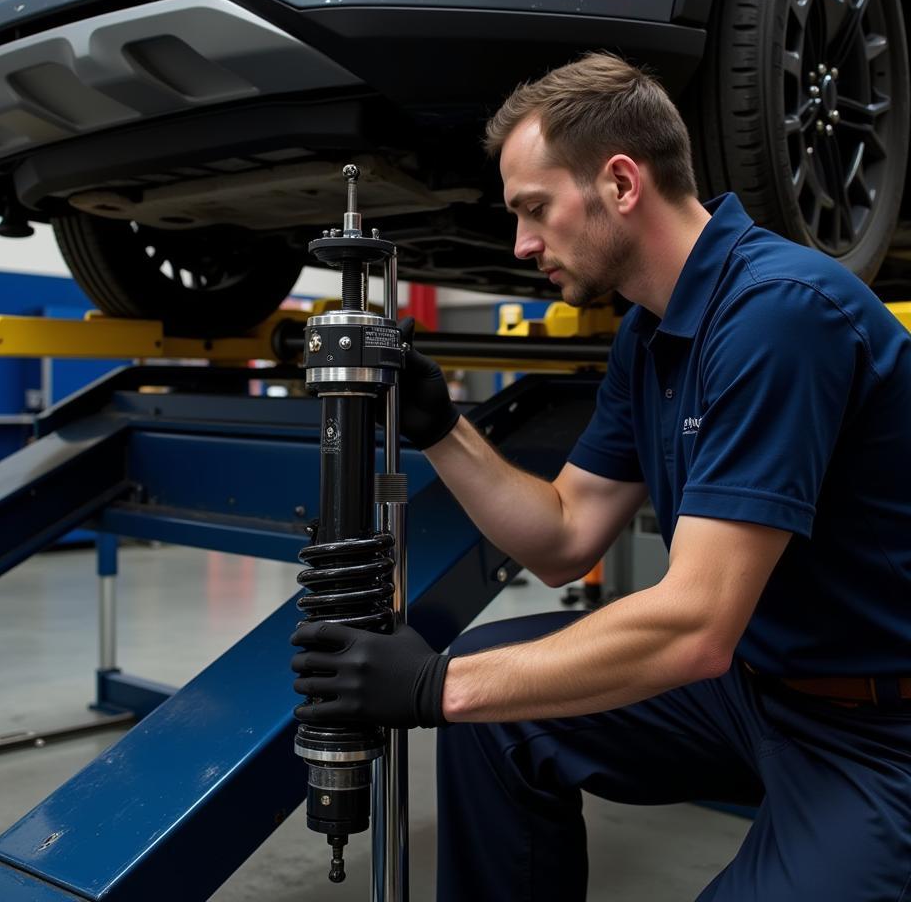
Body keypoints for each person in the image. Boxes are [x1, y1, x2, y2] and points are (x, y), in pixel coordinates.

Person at [291, 52, 911, 900]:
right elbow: (564, 536)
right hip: (755, 689)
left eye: (534, 210)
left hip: (877, 728)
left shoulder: (781, 315)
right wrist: (439, 426)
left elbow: (695, 625)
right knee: (499, 712)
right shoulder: (647, 333)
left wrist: (436, 687)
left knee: (473, 691)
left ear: (621, 183)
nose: (522, 244)